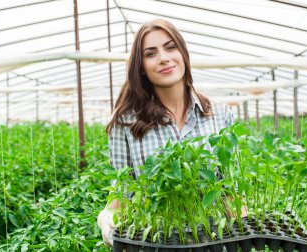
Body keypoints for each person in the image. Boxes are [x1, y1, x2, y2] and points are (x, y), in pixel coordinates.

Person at [97, 19, 235, 246]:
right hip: (155, 243)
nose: (163, 58)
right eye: (151, 54)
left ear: (183, 53)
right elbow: (122, 191)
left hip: (213, 242)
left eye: (171, 47)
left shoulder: (220, 116)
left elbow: (231, 188)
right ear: (141, 66)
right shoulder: (125, 123)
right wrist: (108, 215)